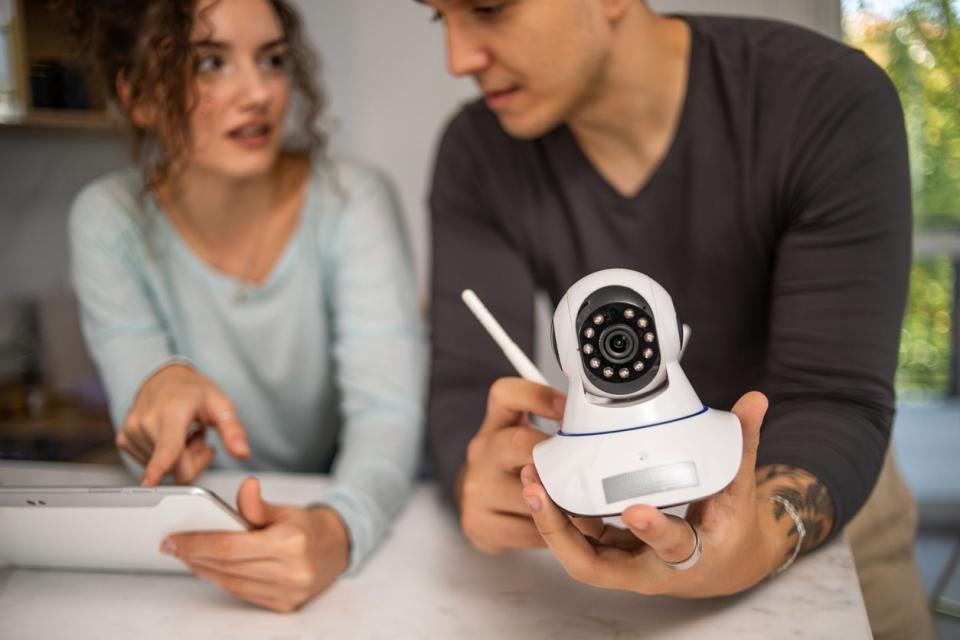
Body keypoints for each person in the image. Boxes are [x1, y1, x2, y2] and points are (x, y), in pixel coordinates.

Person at [420, 1, 934, 637]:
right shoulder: (480, 150)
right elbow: (467, 382)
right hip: (605, 508)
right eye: (441, 18)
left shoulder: (821, 98)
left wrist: (757, 537)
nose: (458, 60)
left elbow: (833, 396)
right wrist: (480, 476)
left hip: (815, 494)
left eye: (489, 8)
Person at [67, 0, 425, 612]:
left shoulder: (352, 200)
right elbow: (145, 436)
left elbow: (386, 414)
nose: (258, 92)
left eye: (273, 59)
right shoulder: (108, 220)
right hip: (208, 543)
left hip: (348, 514)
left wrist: (338, 530)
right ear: (139, 96)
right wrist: (157, 404)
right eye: (209, 63)